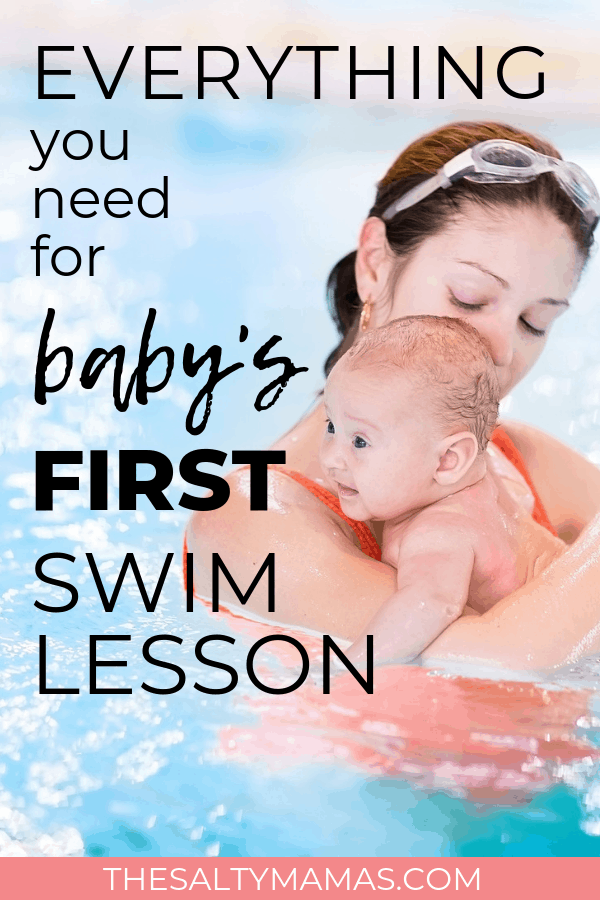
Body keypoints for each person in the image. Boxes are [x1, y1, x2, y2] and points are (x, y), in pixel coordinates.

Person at [186, 120, 600, 673]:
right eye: (469, 298)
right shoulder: (248, 518)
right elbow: (503, 663)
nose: (502, 349)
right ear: (376, 265)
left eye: (535, 321)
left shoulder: (523, 462)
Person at [321, 315, 564, 665]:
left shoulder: (439, 531)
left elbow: (430, 604)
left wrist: (346, 671)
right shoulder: (493, 483)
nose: (332, 458)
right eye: (331, 426)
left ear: (448, 460)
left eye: (360, 441)